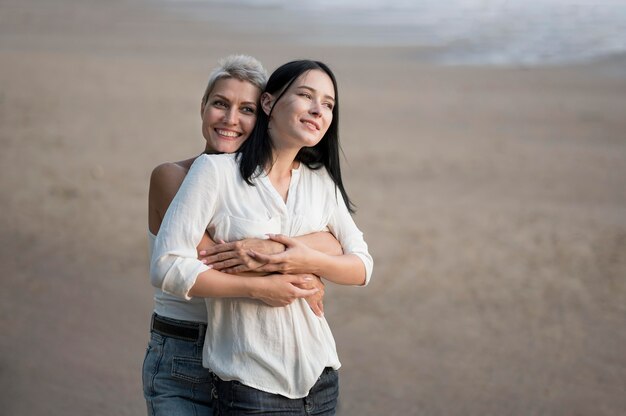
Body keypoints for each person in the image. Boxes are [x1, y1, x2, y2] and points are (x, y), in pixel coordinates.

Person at [151, 59, 373, 415]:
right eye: (220, 104)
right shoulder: (191, 177)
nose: (231, 119)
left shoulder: (316, 182)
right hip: (191, 349)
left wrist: (298, 257)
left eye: (246, 109)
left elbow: (357, 259)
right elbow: (212, 261)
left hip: (312, 371)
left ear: (261, 111)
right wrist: (279, 278)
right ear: (203, 107)